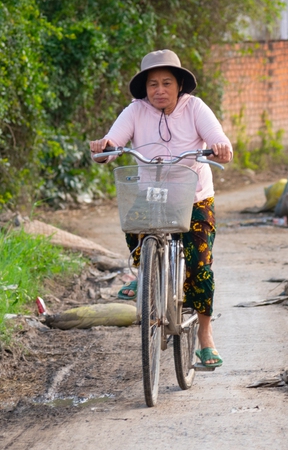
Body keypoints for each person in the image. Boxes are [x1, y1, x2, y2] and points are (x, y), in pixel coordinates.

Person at [90, 49, 232, 368]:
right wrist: (104, 149)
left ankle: (206, 337)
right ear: (145, 88)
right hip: (152, 193)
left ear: (179, 84)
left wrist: (222, 148)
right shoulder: (136, 111)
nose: (159, 90)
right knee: (133, 226)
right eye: (152, 84)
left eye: (167, 83)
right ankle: (145, 273)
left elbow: (218, 139)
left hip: (193, 197)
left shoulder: (194, 107)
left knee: (200, 267)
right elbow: (114, 143)